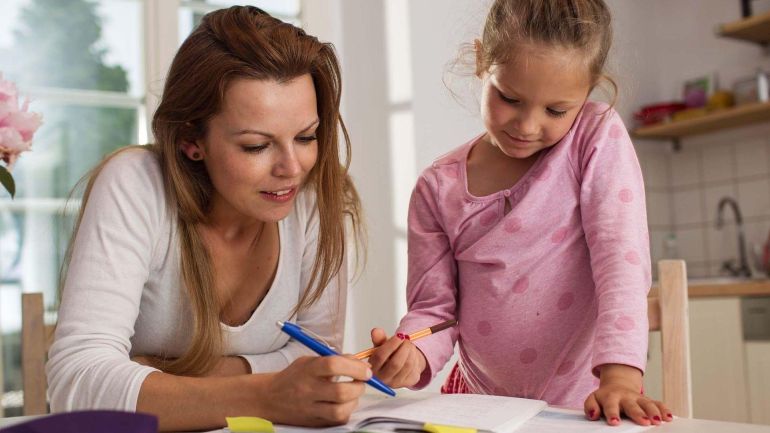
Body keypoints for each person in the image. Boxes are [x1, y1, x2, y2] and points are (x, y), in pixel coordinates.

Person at [46, 6, 369, 431]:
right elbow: (76, 386)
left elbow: (316, 359)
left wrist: (159, 375)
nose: (292, 167)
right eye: (257, 145)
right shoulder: (136, 185)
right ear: (190, 140)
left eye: (306, 137)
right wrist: (266, 393)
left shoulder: (315, 197)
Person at [366, 0, 672, 427]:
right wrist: (411, 356)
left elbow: (620, 260)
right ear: (480, 62)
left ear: (589, 90)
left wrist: (620, 378)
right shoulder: (438, 187)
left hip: (586, 405)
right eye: (509, 98)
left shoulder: (594, 137)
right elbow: (434, 312)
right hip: (477, 406)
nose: (527, 126)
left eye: (555, 110)